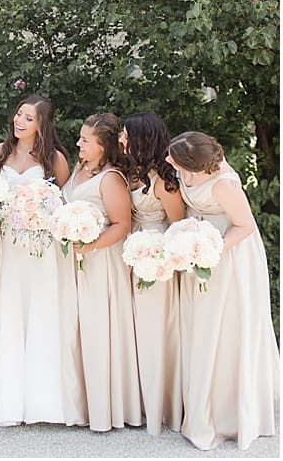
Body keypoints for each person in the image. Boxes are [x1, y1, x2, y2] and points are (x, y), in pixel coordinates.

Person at [0, 95, 86, 427]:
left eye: (28, 118)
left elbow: (62, 202)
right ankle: (5, 399)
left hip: (40, 249)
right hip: (6, 245)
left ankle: (45, 400)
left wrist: (40, 215)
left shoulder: (54, 158)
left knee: (41, 310)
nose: (19, 121)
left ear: (41, 124)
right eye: (18, 114)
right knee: (7, 309)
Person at [168, 131, 280, 450]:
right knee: (200, 326)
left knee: (224, 327)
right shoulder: (185, 169)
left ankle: (226, 412)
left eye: (172, 157)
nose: (167, 160)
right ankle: (199, 401)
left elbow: (244, 226)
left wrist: (210, 250)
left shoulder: (223, 185)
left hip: (228, 255)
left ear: (193, 162)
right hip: (196, 248)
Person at [62, 113, 142, 432]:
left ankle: (105, 408)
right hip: (76, 260)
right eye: (80, 138)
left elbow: (122, 225)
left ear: (103, 146)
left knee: (99, 330)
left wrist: (89, 246)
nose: (78, 144)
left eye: (85, 140)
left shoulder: (110, 178)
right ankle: (80, 402)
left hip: (100, 263)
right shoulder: (81, 169)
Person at [120, 111, 184, 435]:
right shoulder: (132, 173)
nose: (121, 140)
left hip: (156, 262)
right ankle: (138, 402)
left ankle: (159, 405)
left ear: (141, 139)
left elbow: (178, 226)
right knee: (133, 330)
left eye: (126, 135)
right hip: (131, 255)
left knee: (153, 331)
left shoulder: (164, 180)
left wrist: (157, 256)